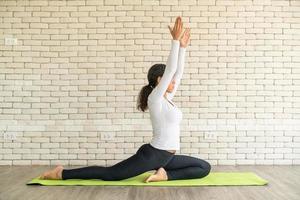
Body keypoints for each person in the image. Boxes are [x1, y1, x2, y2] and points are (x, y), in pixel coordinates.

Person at [40, 16, 211, 182]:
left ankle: (164, 175)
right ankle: (62, 173)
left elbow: (178, 73)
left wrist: (183, 48)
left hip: (167, 157)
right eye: (168, 79)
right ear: (160, 80)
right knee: (110, 174)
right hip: (154, 154)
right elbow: (172, 70)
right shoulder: (155, 98)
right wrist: (174, 42)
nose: (173, 81)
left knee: (204, 167)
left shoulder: (168, 99)